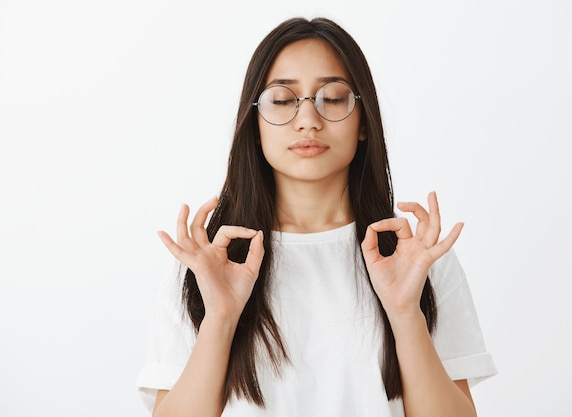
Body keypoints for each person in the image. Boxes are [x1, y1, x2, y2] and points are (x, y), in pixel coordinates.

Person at [136, 16, 496, 417]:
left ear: (363, 121)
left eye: (334, 97)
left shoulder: (416, 258)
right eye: (283, 100)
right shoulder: (208, 261)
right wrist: (220, 318)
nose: (308, 119)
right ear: (255, 124)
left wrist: (404, 313)